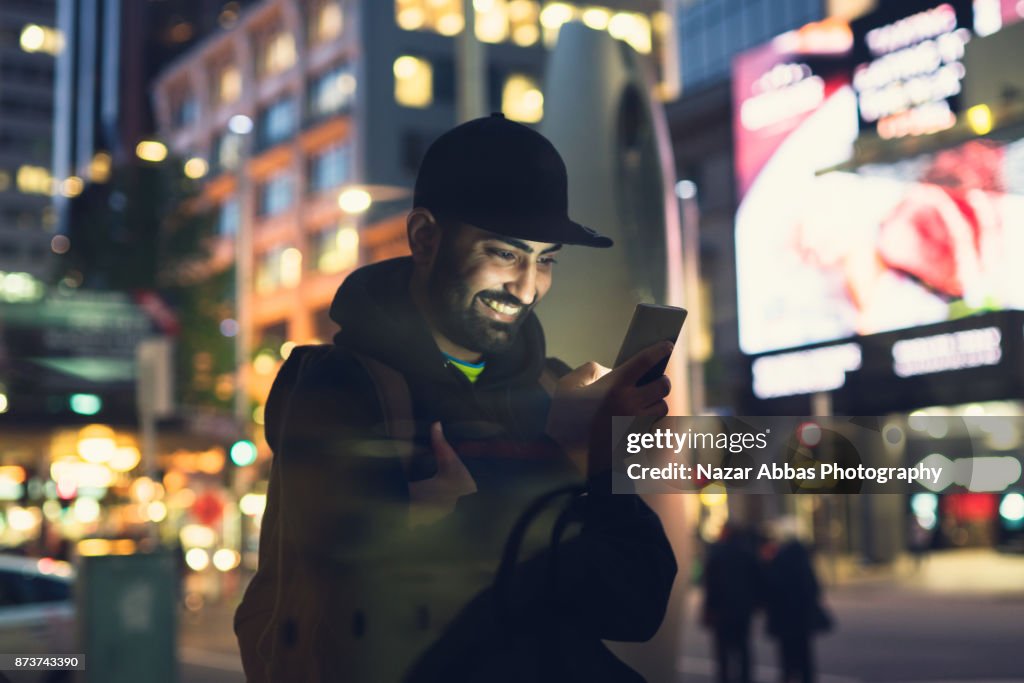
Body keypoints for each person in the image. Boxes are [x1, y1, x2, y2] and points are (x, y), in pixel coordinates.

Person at [234, 113, 678, 682]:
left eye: (546, 261)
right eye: (505, 254)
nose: (526, 288)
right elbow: (369, 602)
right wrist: (559, 457)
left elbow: (633, 609)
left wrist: (602, 469)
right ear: (424, 238)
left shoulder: (555, 389)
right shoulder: (338, 387)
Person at [763, 536, 831, 683]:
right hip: (802, 621)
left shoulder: (778, 565)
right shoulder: (803, 567)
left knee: (787, 660)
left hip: (784, 621)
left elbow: (770, 592)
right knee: (805, 658)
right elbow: (814, 590)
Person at [701, 522, 761, 683]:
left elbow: (711, 585)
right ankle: (745, 678)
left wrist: (708, 609)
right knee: (743, 648)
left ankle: (724, 679)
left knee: (723, 652)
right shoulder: (747, 553)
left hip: (722, 610)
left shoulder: (718, 553)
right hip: (742, 610)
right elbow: (758, 581)